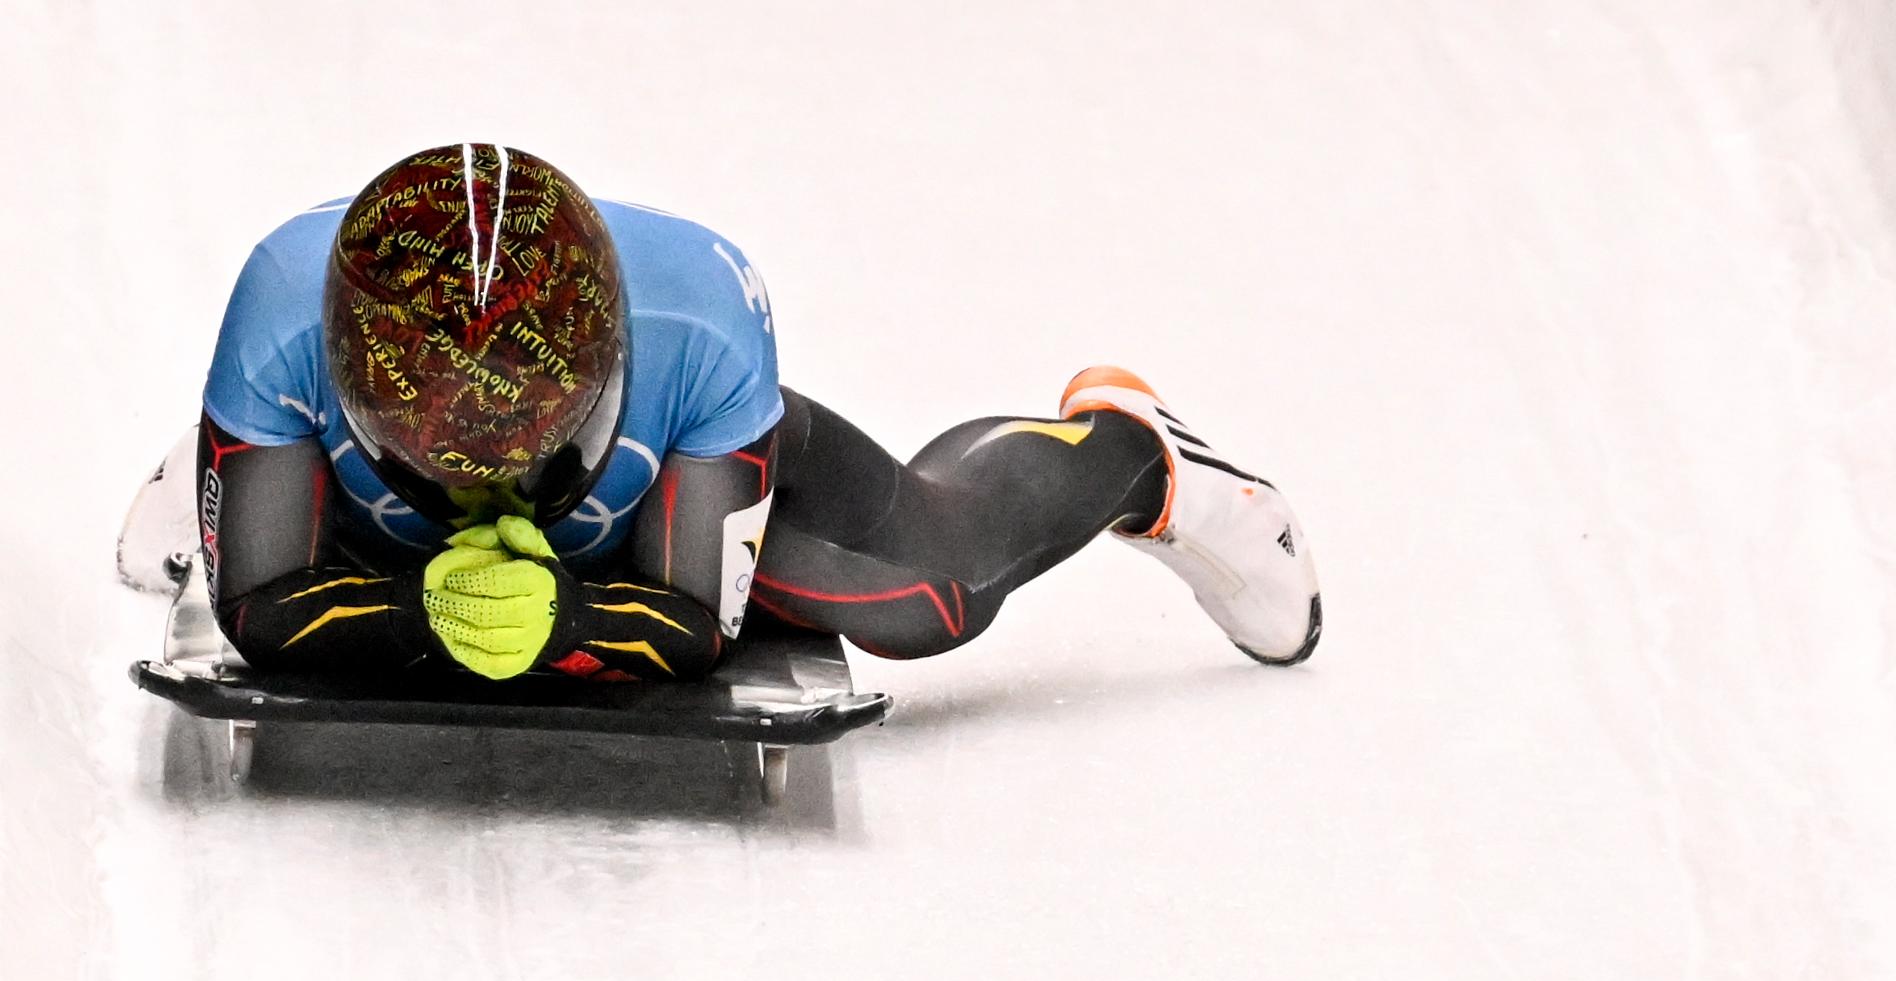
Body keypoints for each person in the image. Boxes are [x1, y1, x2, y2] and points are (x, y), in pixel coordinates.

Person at [197, 144, 1320, 685]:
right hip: (342, 473)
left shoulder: (701, 322)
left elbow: (692, 622)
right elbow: (253, 608)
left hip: (654, 498)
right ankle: (244, 459)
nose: (472, 481)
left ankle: (1134, 449)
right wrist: (421, 608)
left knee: (925, 597)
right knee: (272, 500)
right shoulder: (281, 309)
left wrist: (555, 619)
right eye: (425, 417)